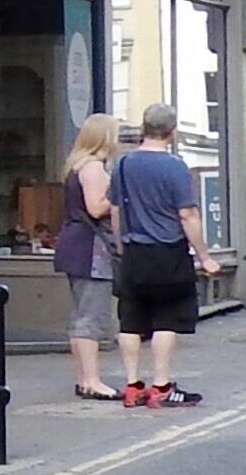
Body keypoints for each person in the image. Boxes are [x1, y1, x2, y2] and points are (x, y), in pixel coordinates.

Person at [109, 102, 207, 406]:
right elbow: (187, 215)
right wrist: (204, 256)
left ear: (144, 128)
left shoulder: (123, 165)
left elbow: (116, 210)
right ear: (171, 132)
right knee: (167, 318)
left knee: (130, 319)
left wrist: (121, 245)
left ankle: (132, 385)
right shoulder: (175, 167)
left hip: (133, 252)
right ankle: (161, 387)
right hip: (168, 252)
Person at [55, 112, 123, 402]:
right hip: (91, 249)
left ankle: (84, 380)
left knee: (81, 315)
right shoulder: (94, 167)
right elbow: (96, 208)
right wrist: (119, 195)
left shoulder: (77, 165)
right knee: (90, 317)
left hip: (76, 245)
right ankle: (93, 381)